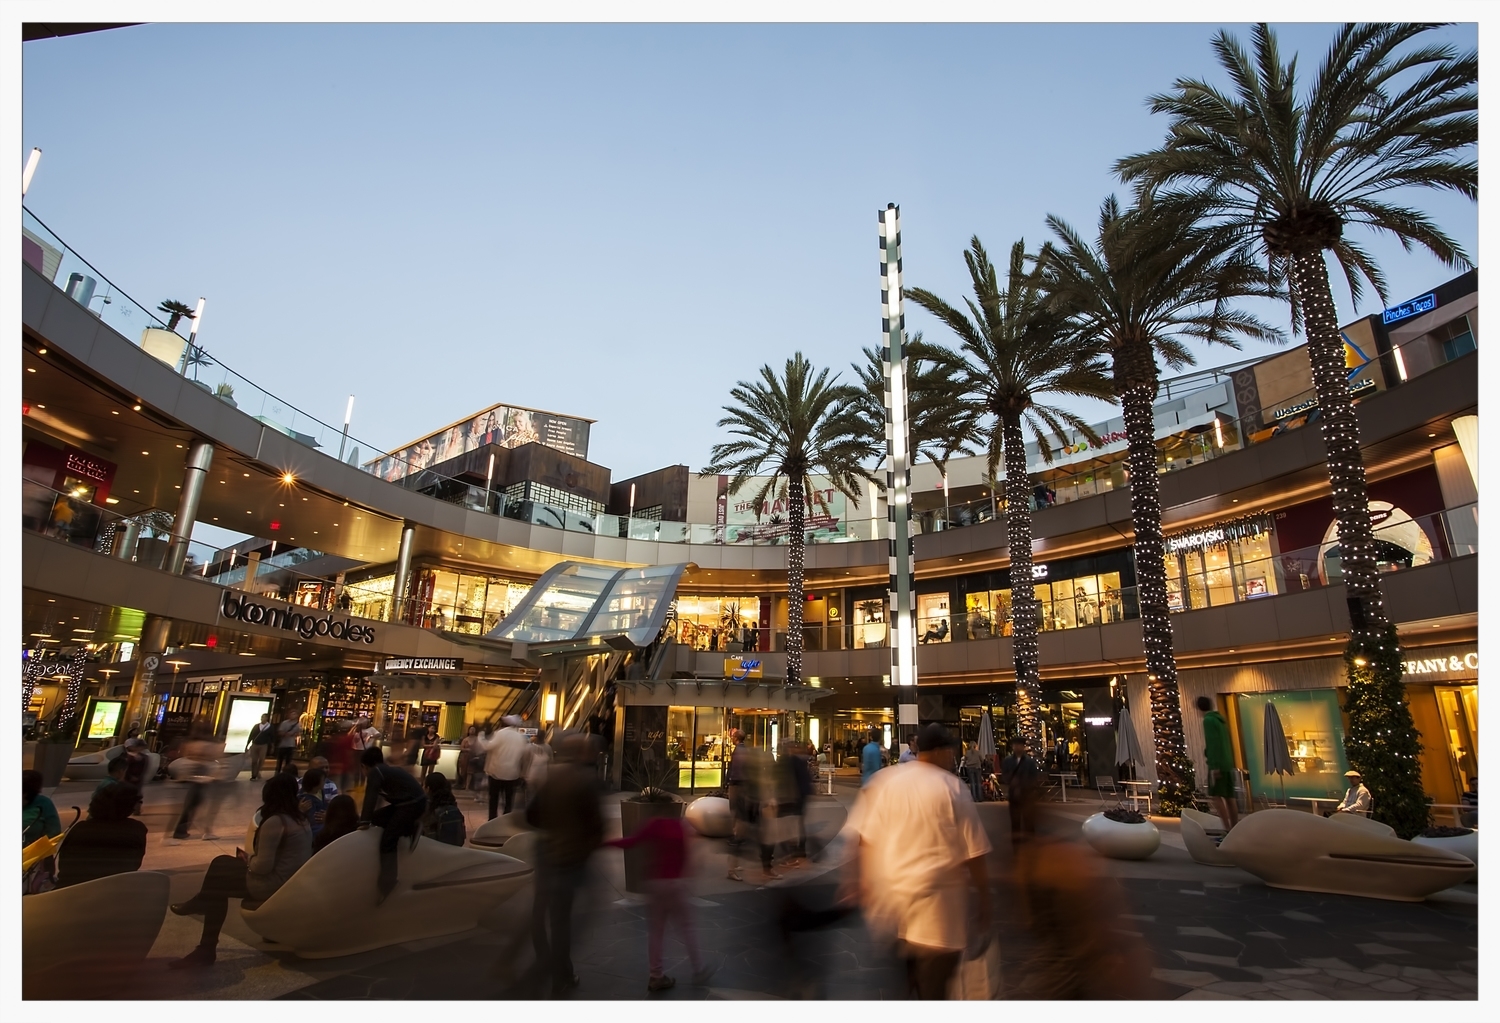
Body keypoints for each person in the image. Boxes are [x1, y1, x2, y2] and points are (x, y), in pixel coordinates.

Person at [841, 723, 992, 999]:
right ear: (939, 752)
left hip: (892, 912)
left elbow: (861, 839)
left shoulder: (885, 782)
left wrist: (857, 882)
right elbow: (975, 852)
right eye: (949, 750)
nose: (951, 756)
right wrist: (984, 901)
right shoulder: (953, 788)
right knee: (934, 993)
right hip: (939, 918)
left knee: (903, 986)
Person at [168, 774, 312, 968]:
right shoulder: (300, 819)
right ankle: (204, 929)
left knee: (218, 875)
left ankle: (205, 942)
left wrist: (248, 859)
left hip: (271, 884)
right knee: (220, 869)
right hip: (290, 881)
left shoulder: (276, 822)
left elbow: (262, 867)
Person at [527, 733, 604, 998]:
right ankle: (560, 974)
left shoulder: (551, 775)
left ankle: (544, 962)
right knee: (561, 921)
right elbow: (597, 827)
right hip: (569, 859)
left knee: (540, 914)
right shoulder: (586, 781)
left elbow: (532, 815)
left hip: (547, 853)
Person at [607, 799, 709, 992]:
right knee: (686, 928)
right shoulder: (682, 826)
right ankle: (699, 969)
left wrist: (605, 843)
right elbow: (689, 856)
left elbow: (630, 842)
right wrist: (689, 879)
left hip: (656, 884)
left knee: (656, 931)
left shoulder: (653, 825)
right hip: (676, 885)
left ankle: (656, 975)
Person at [358, 746, 428, 901]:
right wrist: (369, 819)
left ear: (364, 766)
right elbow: (376, 801)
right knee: (378, 818)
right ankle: (408, 826)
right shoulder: (383, 770)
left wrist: (364, 822)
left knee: (388, 840)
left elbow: (371, 798)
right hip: (408, 803)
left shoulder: (375, 772)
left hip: (412, 804)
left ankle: (388, 883)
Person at [56, 782, 148, 888]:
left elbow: (63, 865)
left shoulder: (80, 828)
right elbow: (133, 865)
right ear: (129, 806)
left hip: (68, 892)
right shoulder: (136, 829)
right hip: (112, 893)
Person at [725, 729, 778, 882]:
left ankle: (737, 866)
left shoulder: (741, 753)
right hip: (745, 796)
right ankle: (735, 867)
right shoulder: (745, 755)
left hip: (744, 795)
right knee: (742, 831)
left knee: (742, 830)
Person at [1196, 696, 1239, 829]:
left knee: (1216, 796)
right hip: (1227, 763)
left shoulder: (1208, 721)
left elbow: (1213, 742)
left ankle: (1227, 829)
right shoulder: (1220, 720)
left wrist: (1214, 766)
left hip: (1217, 764)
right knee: (1229, 797)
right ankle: (1234, 827)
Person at [478, 715, 530, 820]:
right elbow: (525, 756)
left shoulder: (500, 734)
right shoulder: (520, 737)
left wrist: (481, 737)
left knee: (494, 799)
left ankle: (492, 820)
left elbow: (487, 746)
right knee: (509, 800)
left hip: (496, 772)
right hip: (513, 773)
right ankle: (505, 820)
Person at [1000, 737, 1043, 848]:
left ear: (1023, 747)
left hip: (1026, 796)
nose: (1017, 747)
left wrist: (1024, 785)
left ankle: (1030, 845)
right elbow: (1004, 775)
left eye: (1020, 745)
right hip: (1014, 795)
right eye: (1015, 745)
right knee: (1015, 822)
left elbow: (1033, 778)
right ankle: (1017, 846)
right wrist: (1011, 782)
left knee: (1029, 821)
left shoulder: (1029, 762)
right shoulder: (1008, 761)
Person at [421, 772, 466, 846]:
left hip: (433, 850)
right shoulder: (452, 804)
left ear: (428, 788)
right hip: (455, 850)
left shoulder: (427, 808)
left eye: (423, 785)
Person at [299, 768, 329, 836]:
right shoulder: (306, 800)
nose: (325, 782)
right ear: (316, 782)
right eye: (323, 780)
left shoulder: (321, 792)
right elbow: (313, 821)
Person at [274, 710, 302, 775]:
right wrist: (285, 734)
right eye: (292, 714)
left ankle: (286, 774)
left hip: (291, 745)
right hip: (283, 745)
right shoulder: (284, 723)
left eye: (294, 714)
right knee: (280, 761)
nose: (293, 716)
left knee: (288, 761)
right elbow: (279, 732)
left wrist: (294, 734)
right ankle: (277, 773)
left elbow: (299, 733)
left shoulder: (297, 724)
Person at [247, 713, 273, 780]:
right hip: (255, 744)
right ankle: (254, 775)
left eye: (263, 717)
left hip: (263, 745)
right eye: (261, 717)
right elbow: (251, 735)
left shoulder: (269, 727)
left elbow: (272, 737)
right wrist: (247, 744)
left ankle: (257, 772)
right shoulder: (256, 726)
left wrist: (272, 746)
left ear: (267, 718)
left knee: (261, 759)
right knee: (254, 760)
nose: (262, 718)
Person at [457, 724, 478, 793]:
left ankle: (467, 786)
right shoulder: (465, 739)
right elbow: (461, 748)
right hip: (465, 756)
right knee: (463, 771)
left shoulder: (477, 739)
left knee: (470, 771)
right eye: (471, 729)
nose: (472, 731)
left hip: (473, 757)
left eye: (473, 730)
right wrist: (467, 750)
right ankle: (464, 783)